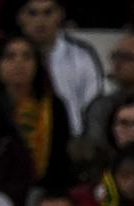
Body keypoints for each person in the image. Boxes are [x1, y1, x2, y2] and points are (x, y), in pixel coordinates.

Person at [0, 34, 73, 188]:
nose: (19, 63)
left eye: (27, 56)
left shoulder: (54, 106)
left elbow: (61, 159)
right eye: (10, 56)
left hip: (44, 190)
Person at [13, 0, 102, 137]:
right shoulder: (9, 59)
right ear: (20, 17)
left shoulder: (82, 55)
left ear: (60, 15)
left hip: (74, 141)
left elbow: (93, 104)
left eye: (48, 12)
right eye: (33, 13)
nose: (40, 21)